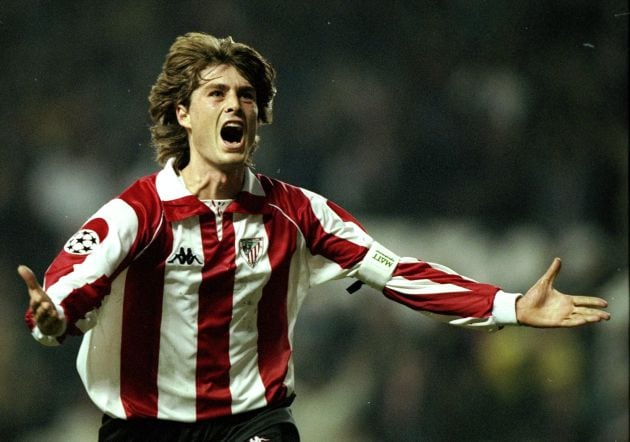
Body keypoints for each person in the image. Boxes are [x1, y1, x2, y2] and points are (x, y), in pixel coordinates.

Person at [18, 32, 610, 442]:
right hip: (142, 427)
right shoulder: (136, 214)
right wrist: (49, 322)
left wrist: (508, 304)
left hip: (253, 421)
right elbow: (66, 290)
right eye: (218, 94)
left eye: (247, 95)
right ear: (182, 114)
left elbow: (396, 272)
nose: (236, 105)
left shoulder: (298, 212)